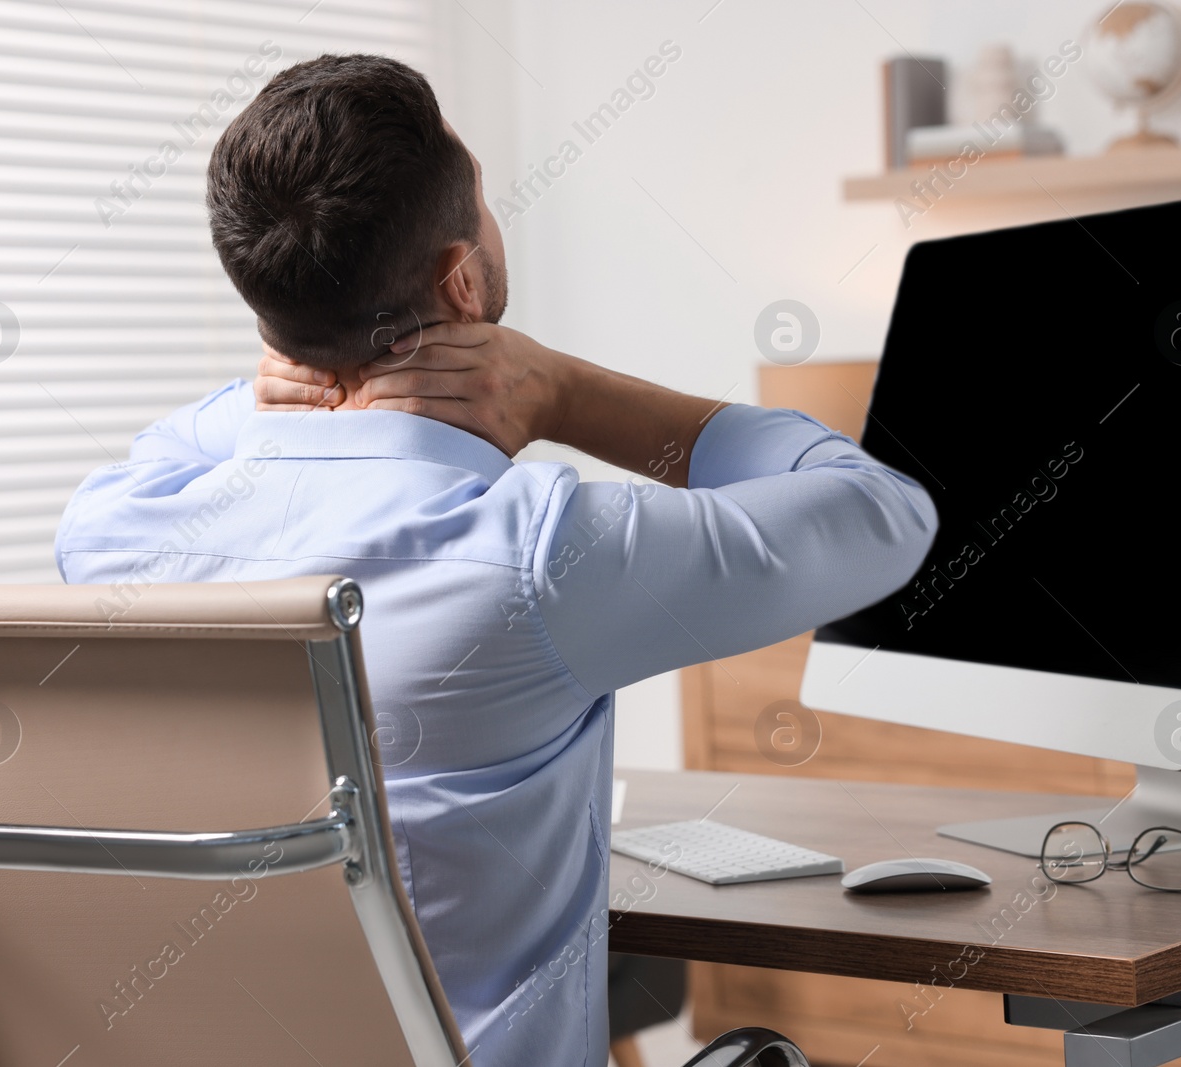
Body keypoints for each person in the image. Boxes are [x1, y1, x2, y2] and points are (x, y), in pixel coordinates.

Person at [55, 53, 937, 1067]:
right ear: (461, 279)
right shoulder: (537, 555)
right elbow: (884, 513)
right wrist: (565, 393)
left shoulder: (116, 533)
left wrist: (284, 379)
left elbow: (183, 444)